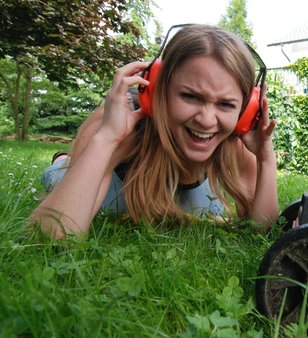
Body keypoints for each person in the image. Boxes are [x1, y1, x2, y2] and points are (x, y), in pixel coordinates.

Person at [30, 24, 278, 239]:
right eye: (190, 96)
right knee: (60, 178)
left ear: (246, 110)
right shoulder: (122, 126)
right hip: (109, 180)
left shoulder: (233, 143)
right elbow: (52, 235)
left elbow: (260, 231)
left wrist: (266, 159)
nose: (206, 120)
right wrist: (107, 137)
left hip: (181, 191)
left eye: (226, 104)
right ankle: (63, 160)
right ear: (158, 91)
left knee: (204, 209)